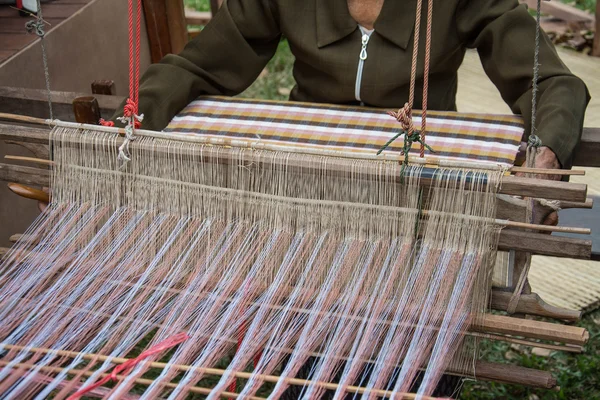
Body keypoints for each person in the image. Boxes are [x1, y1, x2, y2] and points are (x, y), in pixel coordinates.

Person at [111, 0, 589, 395]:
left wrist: (546, 151)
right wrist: (134, 119)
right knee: (302, 341)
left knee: (407, 348)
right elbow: (199, 64)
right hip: (311, 194)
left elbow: (549, 81)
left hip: (417, 192)